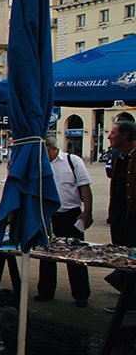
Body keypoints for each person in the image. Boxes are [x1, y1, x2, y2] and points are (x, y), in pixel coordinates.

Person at [35, 135, 93, 308]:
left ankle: (81, 294)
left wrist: (87, 212)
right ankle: (45, 291)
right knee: (46, 255)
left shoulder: (72, 161)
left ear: (50, 148)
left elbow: (85, 187)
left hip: (71, 215)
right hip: (49, 214)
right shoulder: (40, 165)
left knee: (76, 255)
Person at [105, 121, 136, 312]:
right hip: (118, 219)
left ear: (125, 136)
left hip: (132, 219)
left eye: (113, 133)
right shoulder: (119, 158)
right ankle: (128, 300)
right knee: (122, 259)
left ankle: (130, 302)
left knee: (132, 261)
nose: (109, 137)